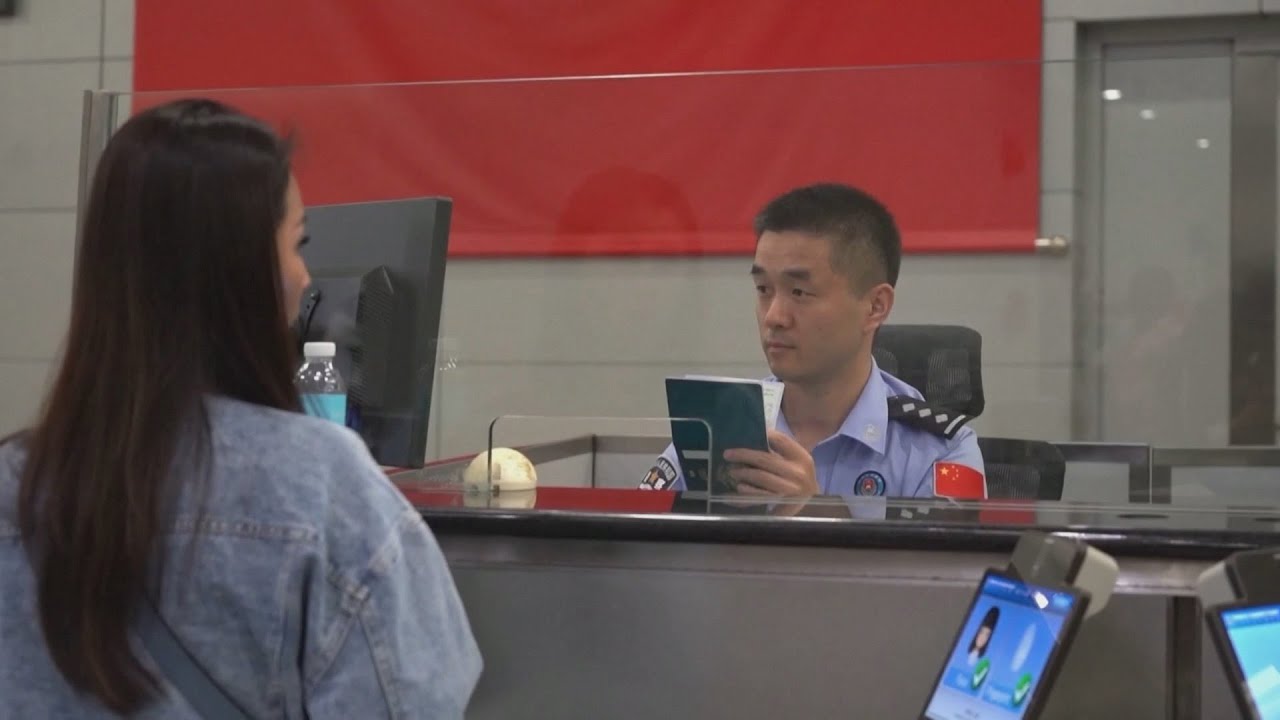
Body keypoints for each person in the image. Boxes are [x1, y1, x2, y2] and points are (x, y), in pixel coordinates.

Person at [0, 99, 481, 718]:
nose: (306, 277)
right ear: (241, 270)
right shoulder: (321, 486)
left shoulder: (16, 483)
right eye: (297, 244)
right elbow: (414, 701)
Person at [640, 183, 985, 498]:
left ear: (875, 307)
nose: (774, 316)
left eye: (799, 292)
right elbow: (637, 537)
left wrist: (818, 517)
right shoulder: (722, 427)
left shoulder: (941, 451)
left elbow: (950, 550)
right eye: (763, 289)